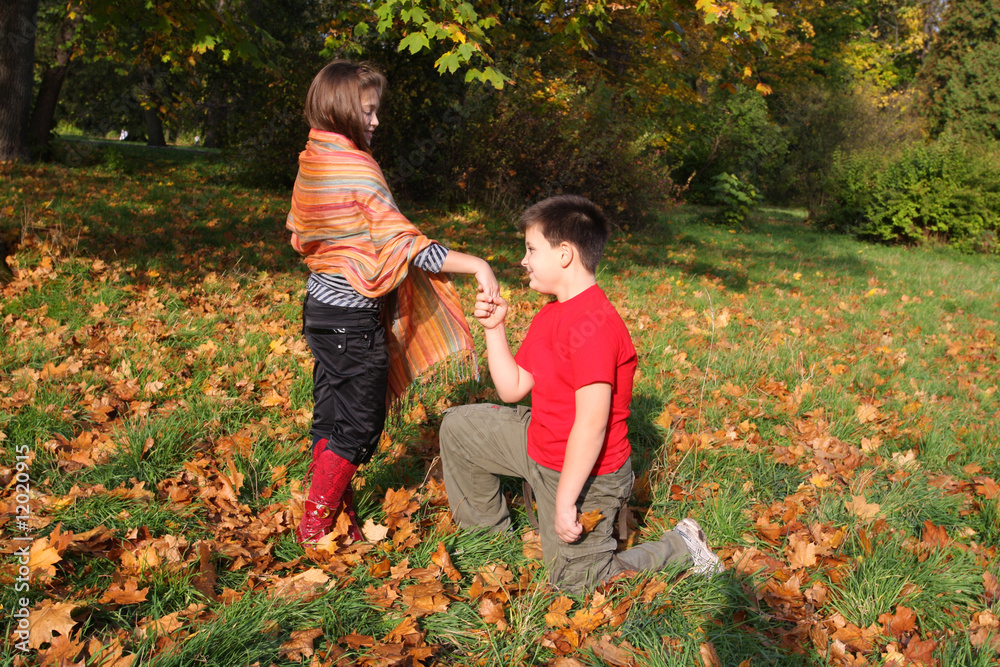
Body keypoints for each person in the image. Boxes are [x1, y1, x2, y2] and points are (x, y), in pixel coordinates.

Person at [439, 195, 722, 594]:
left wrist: (565, 501)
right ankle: (489, 539)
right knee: (459, 427)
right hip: (540, 442)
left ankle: (681, 546)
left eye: (531, 249)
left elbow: (591, 425)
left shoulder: (595, 325)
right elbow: (512, 388)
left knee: (578, 582)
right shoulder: (552, 312)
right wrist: (494, 328)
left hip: (586, 473)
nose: (523, 260)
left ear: (566, 254)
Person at [286, 60, 499, 545]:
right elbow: (409, 246)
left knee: (331, 419)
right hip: (351, 321)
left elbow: (297, 234)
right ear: (342, 110)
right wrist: (478, 265)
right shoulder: (358, 167)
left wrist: (343, 249)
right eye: (368, 111)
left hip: (319, 311)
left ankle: (337, 522)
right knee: (359, 428)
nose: (375, 121)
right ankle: (316, 526)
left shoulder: (313, 160)